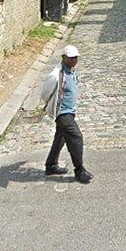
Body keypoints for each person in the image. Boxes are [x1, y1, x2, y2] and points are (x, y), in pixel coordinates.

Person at [38, 45, 92, 184]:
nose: (73, 60)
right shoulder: (56, 75)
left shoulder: (71, 71)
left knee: (60, 137)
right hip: (63, 113)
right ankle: (80, 171)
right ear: (63, 58)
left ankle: (51, 166)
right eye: (70, 58)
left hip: (70, 111)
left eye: (75, 58)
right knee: (76, 138)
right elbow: (45, 94)